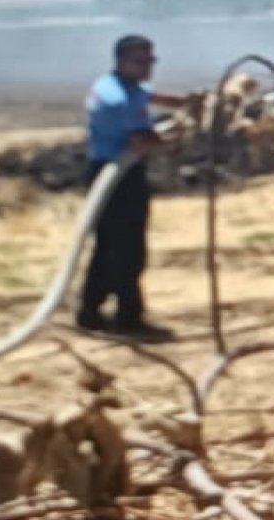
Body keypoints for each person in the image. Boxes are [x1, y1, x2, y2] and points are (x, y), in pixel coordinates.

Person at [78, 34, 199, 341]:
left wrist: (188, 102)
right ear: (121, 61)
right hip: (118, 178)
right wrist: (178, 137)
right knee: (128, 249)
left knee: (107, 246)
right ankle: (128, 317)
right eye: (140, 61)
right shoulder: (119, 100)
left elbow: (151, 96)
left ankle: (90, 311)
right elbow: (142, 141)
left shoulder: (115, 86)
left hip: (109, 173)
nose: (148, 67)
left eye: (150, 60)